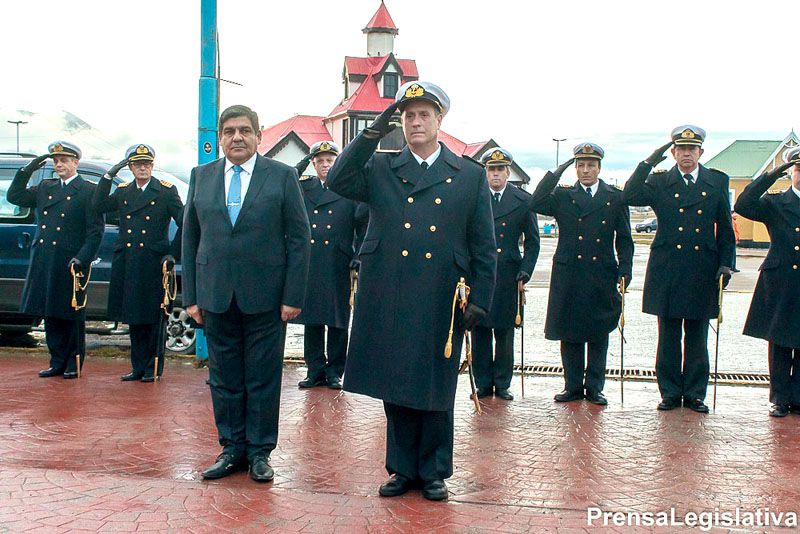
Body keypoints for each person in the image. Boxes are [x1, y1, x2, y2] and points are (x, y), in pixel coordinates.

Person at [326, 81, 496, 501]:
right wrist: (372, 131)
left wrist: (480, 299)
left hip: (442, 292)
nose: (415, 122)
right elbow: (337, 177)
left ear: (440, 120)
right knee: (396, 379)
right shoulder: (382, 167)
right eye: (407, 115)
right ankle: (402, 468)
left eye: (424, 115)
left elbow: (483, 245)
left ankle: (434, 470)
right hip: (390, 289)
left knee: (436, 382)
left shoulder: (468, 175)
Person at [182, 105, 311, 482]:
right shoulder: (201, 176)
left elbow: (299, 239)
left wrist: (293, 295)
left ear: (258, 135)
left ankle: (259, 452)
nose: (236, 137)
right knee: (223, 378)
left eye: (244, 131)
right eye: (228, 131)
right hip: (215, 296)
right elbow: (191, 240)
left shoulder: (282, 177)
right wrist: (190, 296)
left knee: (262, 377)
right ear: (219, 137)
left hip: (267, 299)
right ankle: (231, 448)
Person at [622, 125, 735, 413]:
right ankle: (670, 392)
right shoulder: (661, 182)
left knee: (698, 336)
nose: (687, 154)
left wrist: (726, 263)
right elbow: (629, 194)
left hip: (702, 268)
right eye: (681, 149)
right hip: (668, 268)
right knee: (669, 336)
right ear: (673, 152)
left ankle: (695, 393)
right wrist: (650, 160)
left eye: (692, 149)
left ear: (701, 152)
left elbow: (725, 227)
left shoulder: (716, 182)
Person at [530, 143, 633, 405]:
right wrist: (557, 171)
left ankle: (595, 388)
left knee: (599, 330)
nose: (586, 170)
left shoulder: (614, 197)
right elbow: (536, 201)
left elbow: (624, 239)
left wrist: (625, 269)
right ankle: (572, 386)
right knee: (570, 331)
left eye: (591, 165)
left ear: (599, 168)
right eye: (581, 165)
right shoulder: (563, 196)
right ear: (575, 168)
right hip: (570, 273)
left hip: (601, 272)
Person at [7, 141, 104, 379]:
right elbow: (15, 196)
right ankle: (57, 360)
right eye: (56, 161)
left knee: (70, 313)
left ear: (75, 163)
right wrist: (27, 169)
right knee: (50, 312)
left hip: (71, 261)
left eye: (64, 160)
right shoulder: (45, 187)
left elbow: (95, 231)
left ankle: (73, 362)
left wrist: (82, 258)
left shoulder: (88, 190)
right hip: (46, 258)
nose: (59, 165)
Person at [93, 144, 183, 382]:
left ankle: (153, 368)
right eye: (137, 164)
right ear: (130, 168)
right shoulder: (123, 191)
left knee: (153, 316)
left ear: (152, 166)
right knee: (133, 315)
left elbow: (185, 222)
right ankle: (137, 367)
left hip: (154, 262)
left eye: (146, 164)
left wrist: (173, 254)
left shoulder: (165, 191)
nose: (142, 168)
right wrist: (107, 176)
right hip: (129, 261)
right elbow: (98, 206)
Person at [292, 141, 367, 390]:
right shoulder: (305, 187)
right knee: (312, 318)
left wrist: (358, 255)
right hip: (312, 261)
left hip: (338, 261)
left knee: (337, 319)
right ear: (313, 163)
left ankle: (335, 371)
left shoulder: (349, 188)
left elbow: (363, 225)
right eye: (320, 160)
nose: (325, 165)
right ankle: (315, 370)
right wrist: (305, 158)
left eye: (330, 160)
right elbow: (288, 178)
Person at [735, 146, 800, 417]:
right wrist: (771, 175)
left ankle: (798, 398)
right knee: (780, 340)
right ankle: (780, 398)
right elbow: (743, 204)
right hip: (781, 279)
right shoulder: (775, 203)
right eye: (798, 169)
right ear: (791, 173)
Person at [473, 147, 539, 401]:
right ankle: (482, 382)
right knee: (479, 331)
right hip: (481, 273)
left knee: (504, 332)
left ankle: (502, 383)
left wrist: (526, 270)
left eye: (501, 170)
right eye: (492, 169)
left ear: (508, 172)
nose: (496, 175)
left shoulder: (522, 201)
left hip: (509, 274)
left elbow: (532, 242)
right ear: (485, 172)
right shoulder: (475, 197)